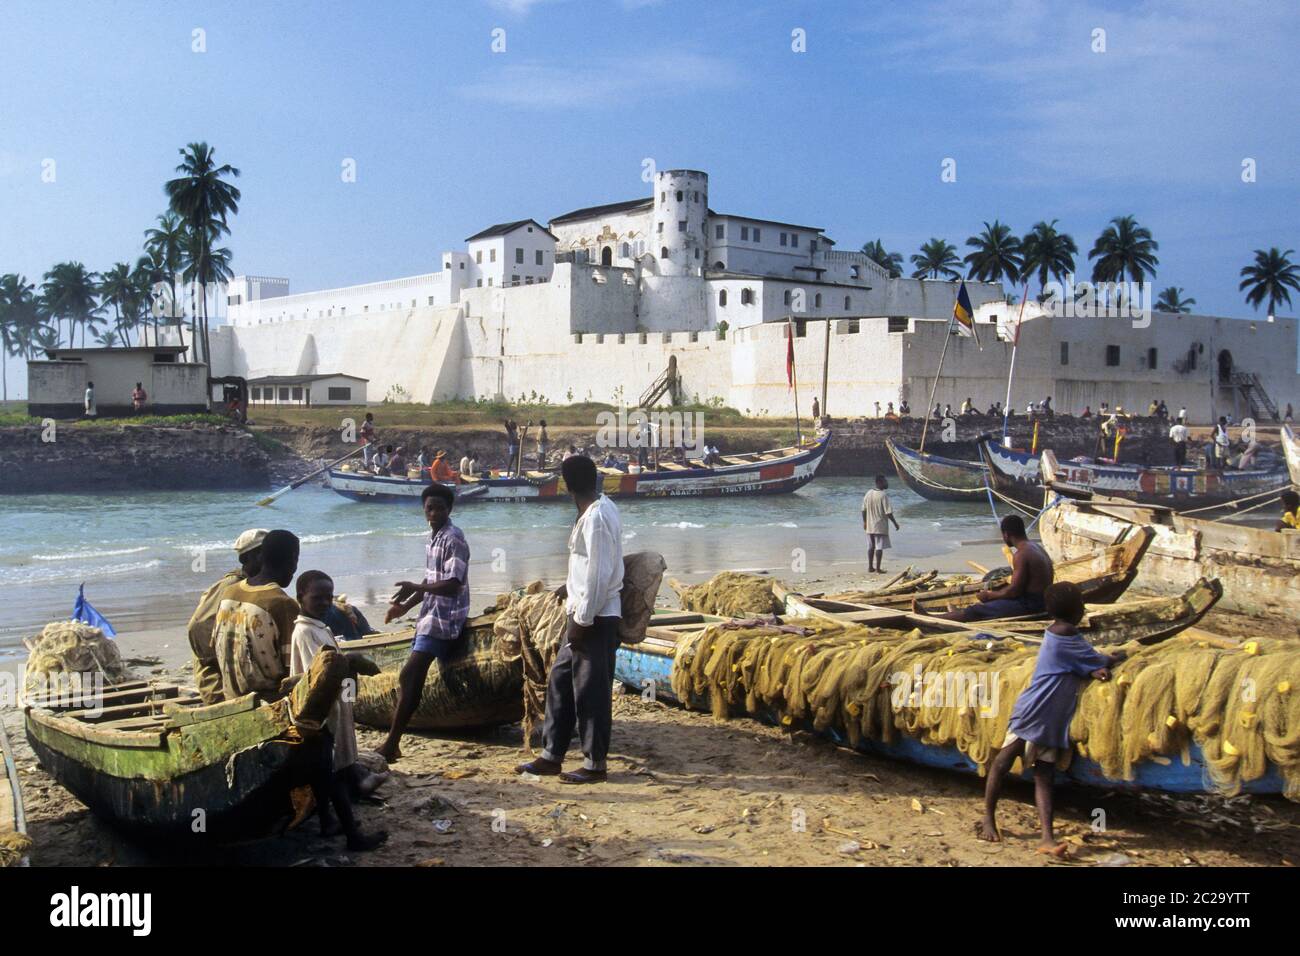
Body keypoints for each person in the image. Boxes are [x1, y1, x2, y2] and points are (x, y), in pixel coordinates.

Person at [977, 582, 1124, 857]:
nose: (1083, 608)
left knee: (1045, 775)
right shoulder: (1067, 633)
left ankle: (1047, 838)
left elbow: (1078, 664)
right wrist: (1115, 658)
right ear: (1076, 610)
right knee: (1003, 762)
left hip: (1053, 720)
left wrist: (1091, 670)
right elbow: (1096, 658)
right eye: (1081, 604)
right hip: (1034, 711)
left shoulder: (1059, 633)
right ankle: (988, 817)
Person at [516, 455, 624, 785]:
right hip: (582, 611)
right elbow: (587, 565)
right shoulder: (595, 510)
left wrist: (583, 619)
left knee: (591, 692)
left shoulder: (596, 518)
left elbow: (599, 574)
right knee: (560, 682)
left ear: (567, 485)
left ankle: (595, 764)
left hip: (595, 617)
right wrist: (569, 586)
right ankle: (552, 756)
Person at [291, 570, 388, 851]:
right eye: (316, 597)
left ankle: (326, 822)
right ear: (300, 598)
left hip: (330, 709)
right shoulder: (305, 631)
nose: (324, 602)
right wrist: (352, 660)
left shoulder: (319, 626)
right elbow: (321, 674)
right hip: (320, 713)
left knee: (326, 775)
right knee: (333, 777)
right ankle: (353, 836)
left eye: (328, 597)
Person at [376, 484, 470, 763]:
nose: (434, 513)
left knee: (409, 675)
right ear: (424, 510)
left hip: (445, 617)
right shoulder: (434, 539)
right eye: (429, 508)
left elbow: (453, 585)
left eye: (439, 507)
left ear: (449, 509)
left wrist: (416, 586)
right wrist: (404, 607)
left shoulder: (453, 539)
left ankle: (392, 743)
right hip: (430, 615)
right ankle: (393, 741)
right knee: (411, 677)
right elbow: (431, 582)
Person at [211, 529, 301, 701]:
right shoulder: (282, 604)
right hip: (268, 702)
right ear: (293, 559)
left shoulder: (229, 593)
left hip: (231, 697)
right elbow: (294, 670)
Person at [187, 528, 267, 705]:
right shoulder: (231, 586)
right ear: (247, 558)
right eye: (264, 554)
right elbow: (197, 628)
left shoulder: (256, 586)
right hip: (216, 678)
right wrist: (222, 658)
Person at [939, 515, 1053, 621]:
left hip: (1032, 605)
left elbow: (1014, 591)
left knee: (976, 610)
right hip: (1044, 600)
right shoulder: (1037, 548)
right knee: (996, 597)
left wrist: (989, 595)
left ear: (1006, 534)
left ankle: (936, 619)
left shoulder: (1021, 554)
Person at [862, 475, 900, 574]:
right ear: (880, 482)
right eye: (885, 481)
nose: (887, 483)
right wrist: (895, 523)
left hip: (869, 525)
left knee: (871, 546)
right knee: (879, 547)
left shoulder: (868, 493)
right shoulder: (883, 495)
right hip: (879, 525)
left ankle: (870, 567)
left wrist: (865, 522)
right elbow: (888, 512)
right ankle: (878, 569)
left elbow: (863, 509)